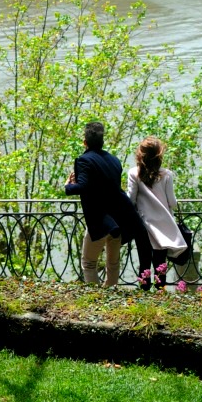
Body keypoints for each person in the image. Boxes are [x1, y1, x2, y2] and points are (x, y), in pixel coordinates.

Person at [65, 120, 153, 287]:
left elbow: (83, 186)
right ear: (102, 141)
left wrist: (68, 186)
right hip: (118, 221)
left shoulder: (84, 160)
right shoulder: (114, 160)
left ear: (85, 142)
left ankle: (96, 297)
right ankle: (111, 294)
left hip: (100, 220)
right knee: (113, 263)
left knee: (89, 263)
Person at [126, 136, 192, 288]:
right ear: (159, 155)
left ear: (140, 155)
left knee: (144, 261)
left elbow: (131, 200)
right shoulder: (166, 174)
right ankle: (160, 293)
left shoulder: (134, 173)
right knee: (160, 263)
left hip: (143, 224)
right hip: (163, 224)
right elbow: (172, 203)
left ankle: (143, 293)